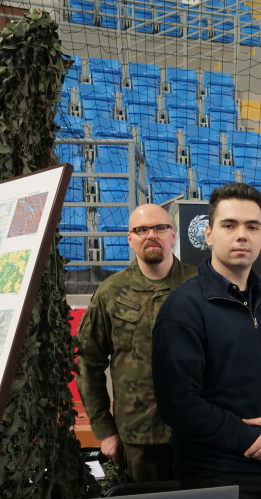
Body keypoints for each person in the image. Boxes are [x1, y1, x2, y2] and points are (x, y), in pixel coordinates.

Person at [152, 183, 261, 499]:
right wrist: (257, 441)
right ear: (208, 234)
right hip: (215, 479)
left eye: (252, 227)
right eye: (229, 225)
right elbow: (178, 404)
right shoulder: (184, 307)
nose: (242, 236)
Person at [76, 203, 196, 484]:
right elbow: (88, 362)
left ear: (173, 235)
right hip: (138, 436)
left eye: (159, 228)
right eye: (141, 230)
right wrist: (104, 429)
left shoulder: (200, 286)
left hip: (197, 432)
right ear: (130, 239)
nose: (150, 235)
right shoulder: (111, 292)